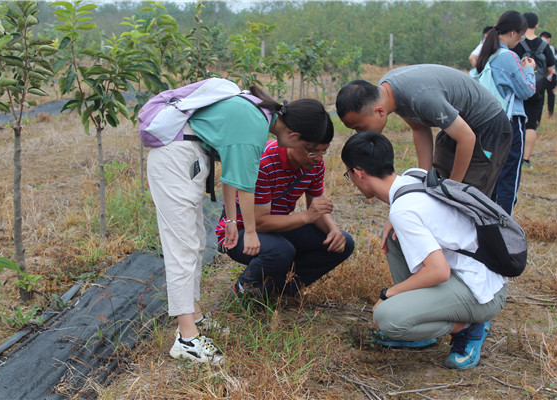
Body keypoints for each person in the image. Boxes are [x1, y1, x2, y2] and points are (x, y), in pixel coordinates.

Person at [147, 84, 329, 363]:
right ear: (293, 134)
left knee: (194, 244)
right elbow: (245, 185)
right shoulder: (254, 125)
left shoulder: (255, 113)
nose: (312, 157)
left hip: (190, 159)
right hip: (176, 160)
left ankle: (195, 317)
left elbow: (232, 174)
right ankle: (186, 339)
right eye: (309, 148)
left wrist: (232, 219)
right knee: (182, 248)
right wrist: (251, 232)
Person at [341, 131, 508, 370]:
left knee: (387, 318)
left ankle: (471, 327)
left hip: (482, 293)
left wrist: (389, 294)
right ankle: (421, 329)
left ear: (359, 173)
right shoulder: (412, 177)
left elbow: (438, 272)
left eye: (349, 175)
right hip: (478, 271)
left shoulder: (402, 210)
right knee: (393, 237)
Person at [216, 116, 355, 300]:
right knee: (281, 250)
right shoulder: (264, 162)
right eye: (313, 152)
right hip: (241, 232)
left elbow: (316, 206)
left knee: (342, 243)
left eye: (324, 152)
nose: (318, 159)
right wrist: (307, 216)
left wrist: (333, 230)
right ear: (293, 140)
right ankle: (245, 287)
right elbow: (261, 223)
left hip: (277, 228)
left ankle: (282, 288)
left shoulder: (314, 164)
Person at [335, 64, 512, 198]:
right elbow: (419, 129)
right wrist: (423, 181)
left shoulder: (421, 98)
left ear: (379, 111)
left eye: (360, 127)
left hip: (487, 127)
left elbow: (466, 138)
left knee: (468, 196)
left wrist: (453, 189)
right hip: (455, 124)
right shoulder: (387, 91)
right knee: (435, 185)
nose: (360, 134)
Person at [472, 10, 536, 215]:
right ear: (514, 33)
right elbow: (526, 90)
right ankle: (504, 225)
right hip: (509, 123)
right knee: (509, 175)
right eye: (522, 36)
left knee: (490, 173)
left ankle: (486, 220)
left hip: (485, 123)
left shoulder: (483, 52)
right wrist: (528, 70)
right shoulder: (509, 57)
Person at [511, 12, 556, 167]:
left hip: (517, 88)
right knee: (531, 124)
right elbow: (551, 68)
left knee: (514, 121)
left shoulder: (516, 42)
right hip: (537, 90)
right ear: (537, 25)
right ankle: (526, 159)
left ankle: (513, 154)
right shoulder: (545, 46)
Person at [540, 31, 557, 117]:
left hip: (541, 74)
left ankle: (543, 113)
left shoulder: (539, 47)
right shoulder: (552, 49)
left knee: (542, 95)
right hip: (550, 74)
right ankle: (550, 112)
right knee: (550, 94)